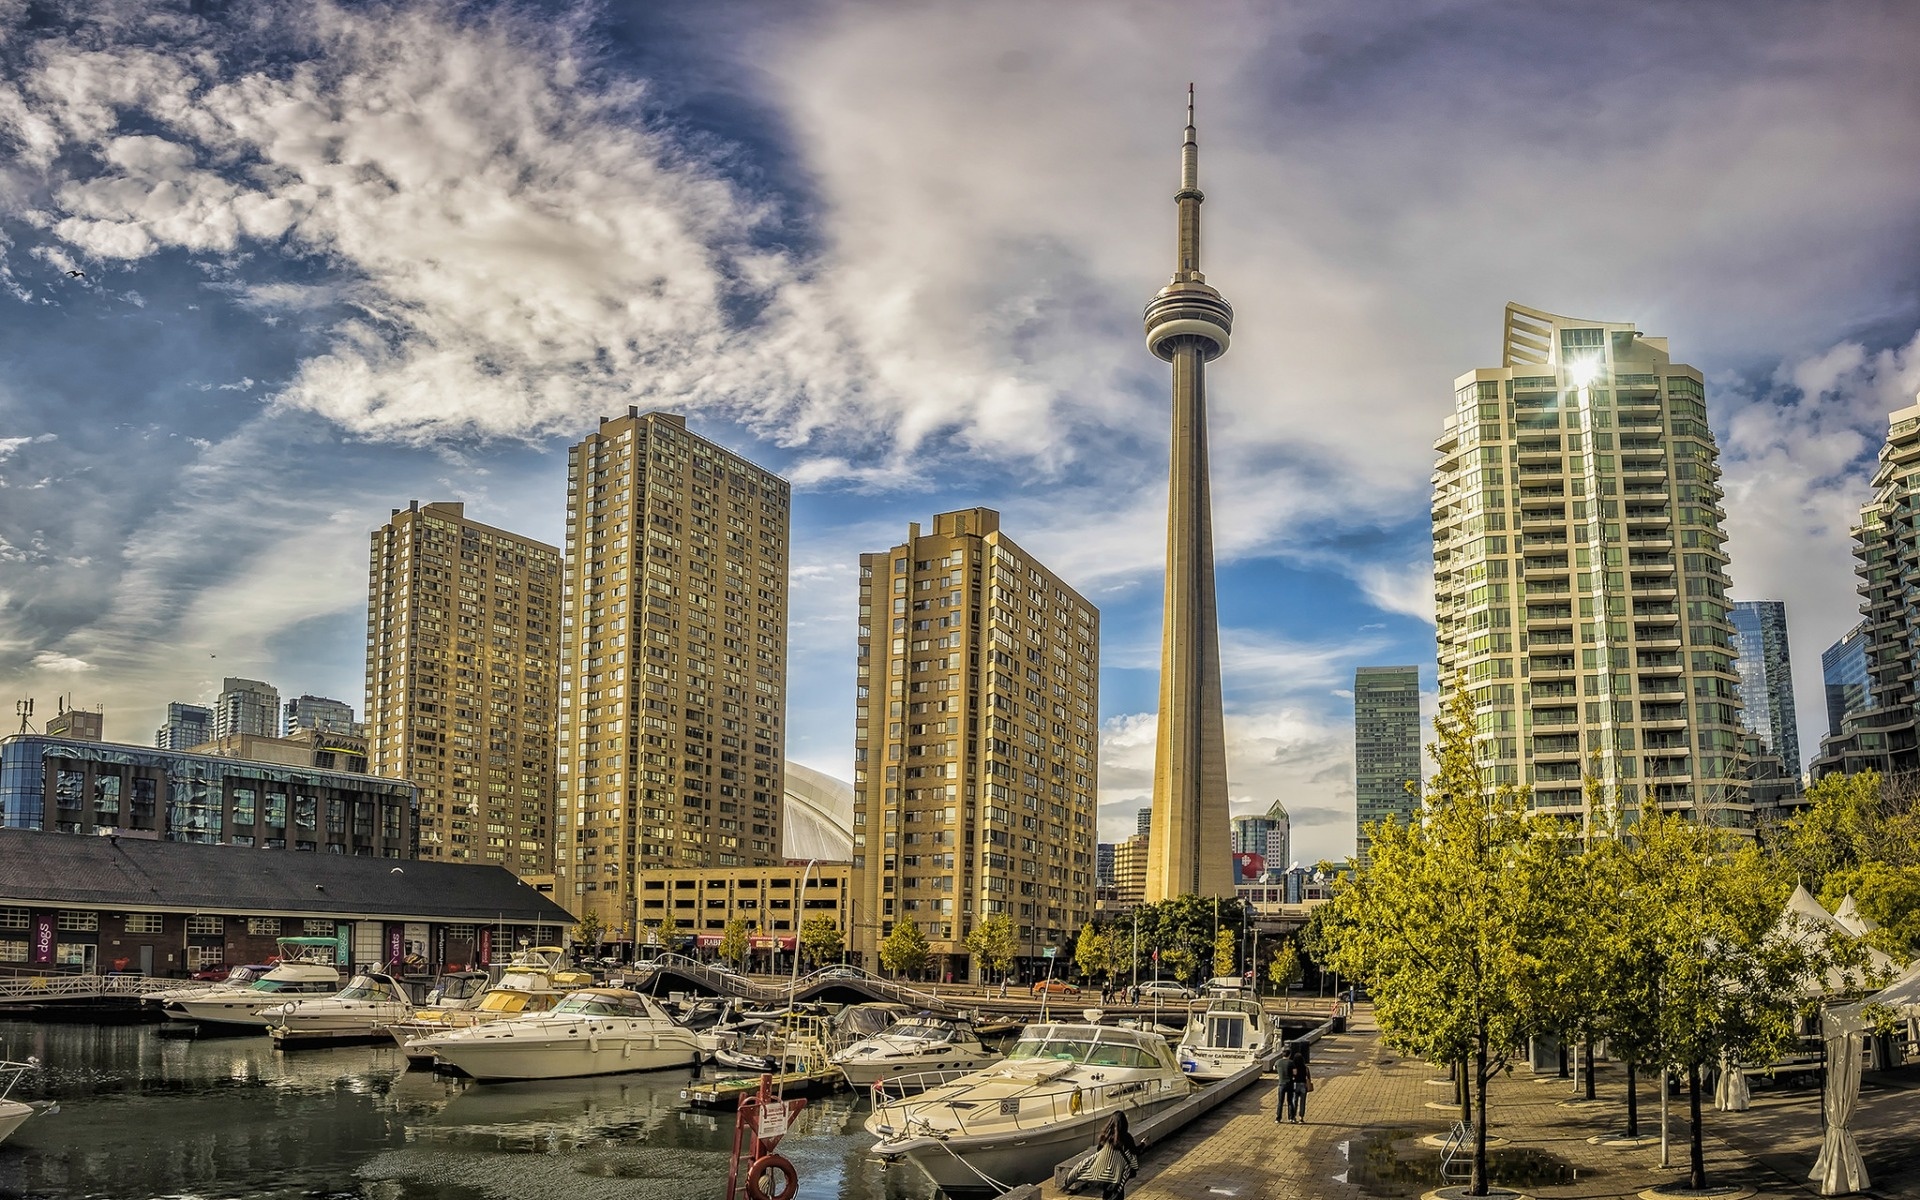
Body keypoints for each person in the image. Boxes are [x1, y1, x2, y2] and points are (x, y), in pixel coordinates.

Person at [1064, 1111, 1140, 1198]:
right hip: (1118, 1174)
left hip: (1106, 1173)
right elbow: (1134, 1151)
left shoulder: (1105, 1137)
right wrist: (1143, 1144)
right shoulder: (1127, 1137)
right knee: (1118, 1194)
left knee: (1106, 1194)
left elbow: (1099, 1152)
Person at [1277, 1047, 1312, 1123]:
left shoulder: (1292, 1065)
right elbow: (1308, 1077)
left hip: (1294, 1085)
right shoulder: (1305, 1068)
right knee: (1302, 1102)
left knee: (1293, 1101)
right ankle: (1301, 1118)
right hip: (1303, 1086)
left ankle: (1292, 1116)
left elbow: (1294, 1074)